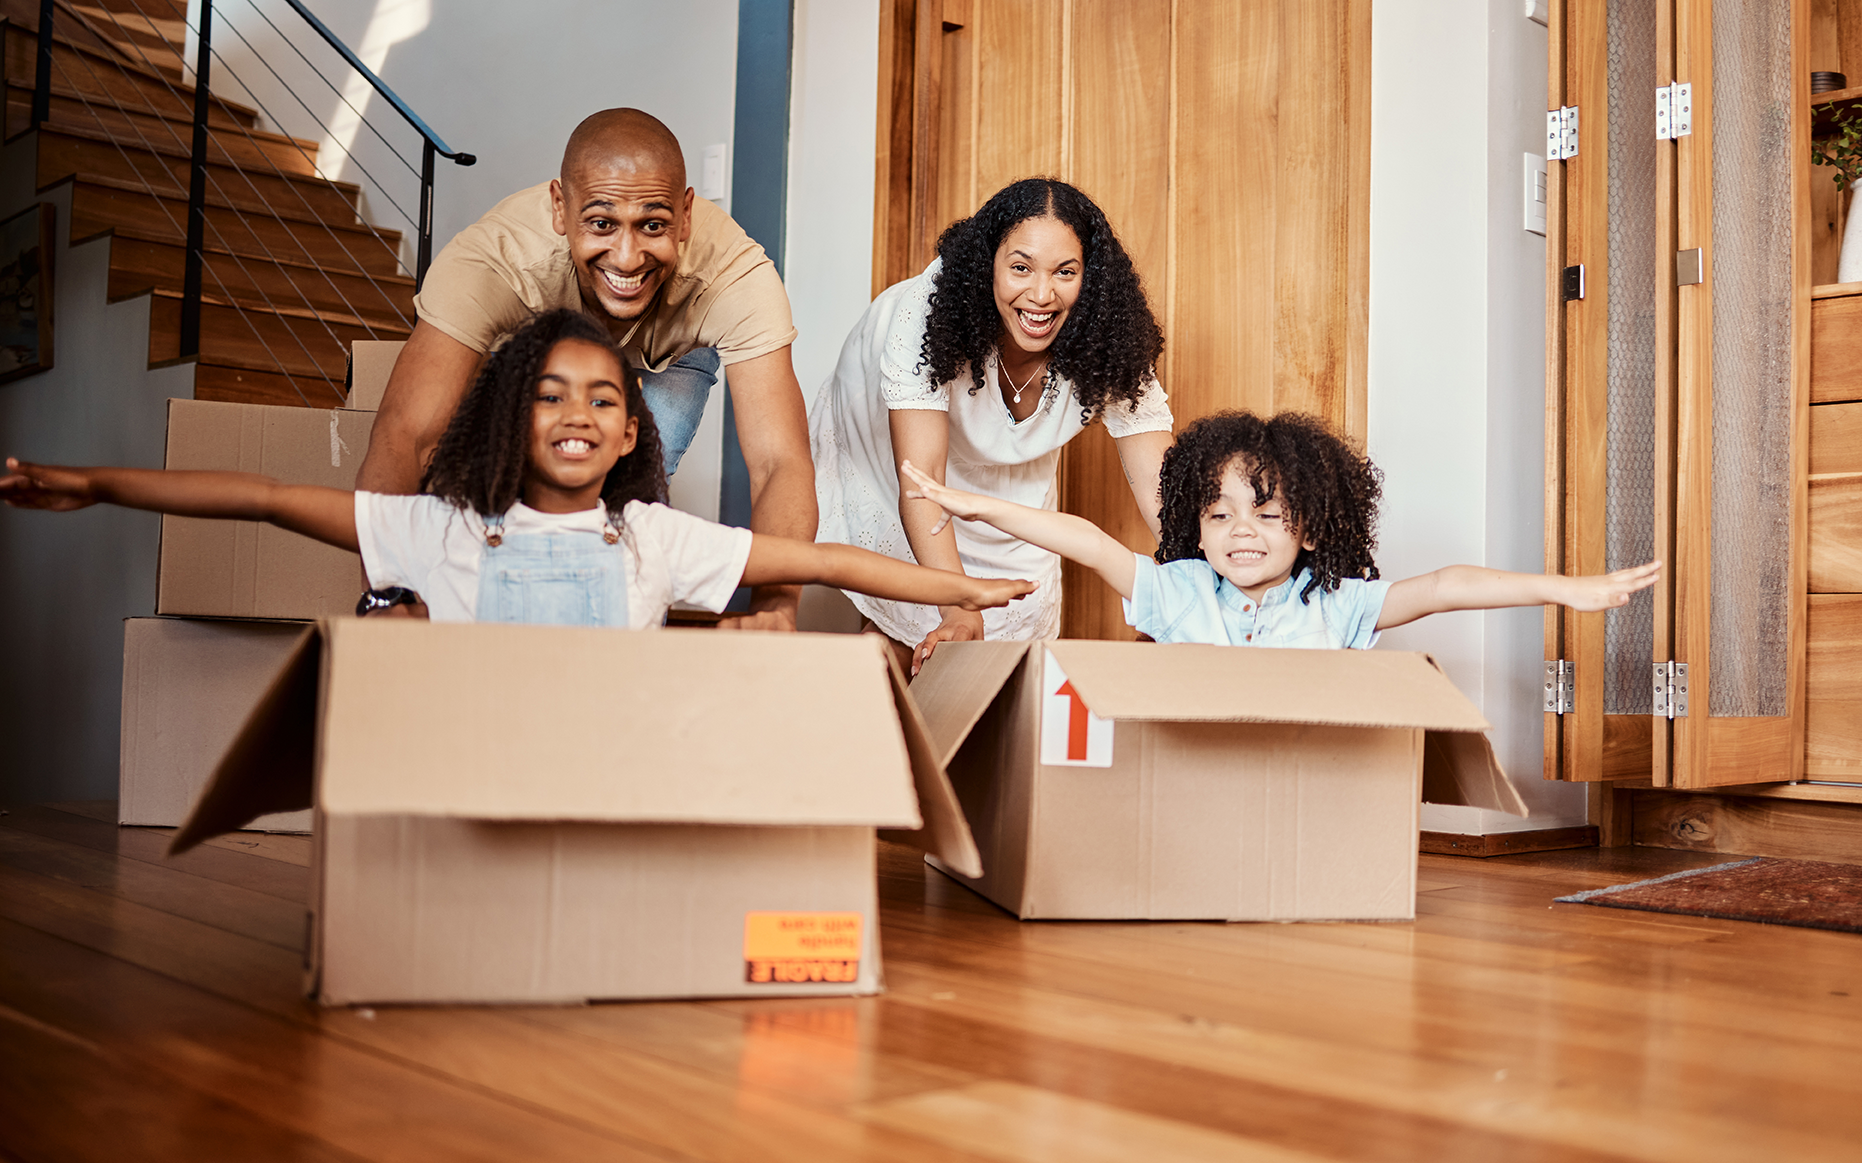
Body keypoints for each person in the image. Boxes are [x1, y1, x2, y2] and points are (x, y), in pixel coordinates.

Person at [3, 311, 1034, 628]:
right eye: (548, 394)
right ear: (511, 415)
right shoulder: (437, 528)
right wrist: (96, 482)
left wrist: (960, 587)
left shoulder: (656, 540)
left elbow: (832, 559)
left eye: (602, 398)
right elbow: (261, 497)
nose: (577, 413)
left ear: (632, 435)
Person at [358, 108, 815, 630]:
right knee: (506, 478)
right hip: (539, 340)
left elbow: (780, 461)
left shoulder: (736, 276)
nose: (626, 257)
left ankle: (623, 625)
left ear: (686, 215)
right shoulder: (492, 263)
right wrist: (388, 596)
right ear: (559, 207)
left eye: (653, 225)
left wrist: (775, 611)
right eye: (601, 224)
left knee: (631, 491)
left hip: (670, 352)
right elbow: (407, 433)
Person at [899, 410, 1660, 648]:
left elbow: (1443, 587)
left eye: (1268, 515)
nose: (1242, 532)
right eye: (1220, 513)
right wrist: (979, 506)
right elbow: (1087, 539)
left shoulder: (1337, 604)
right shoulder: (1176, 590)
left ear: (1313, 528)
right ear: (1194, 528)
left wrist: (1564, 589)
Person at [812, 178, 1172, 674]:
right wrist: (958, 606)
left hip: (1009, 467)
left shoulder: (1110, 333)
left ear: (1090, 278)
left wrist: (1194, 587)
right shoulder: (926, 316)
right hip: (896, 444)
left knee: (1014, 640)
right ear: (989, 267)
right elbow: (920, 485)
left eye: (1065, 272)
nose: (1041, 296)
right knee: (910, 628)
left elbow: (1162, 489)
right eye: (1020, 268)